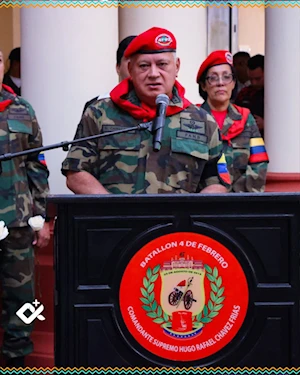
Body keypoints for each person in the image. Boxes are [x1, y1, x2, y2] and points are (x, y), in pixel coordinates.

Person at [61, 27, 231, 195]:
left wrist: (187, 215)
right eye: (144, 66)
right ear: (130, 69)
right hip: (116, 220)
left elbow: (218, 180)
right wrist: (112, 210)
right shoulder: (100, 114)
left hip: (178, 222)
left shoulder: (202, 121)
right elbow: (75, 172)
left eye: (162, 64)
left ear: (177, 66)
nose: (153, 73)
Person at [0, 48, 50, 368]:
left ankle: (16, 361)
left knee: (23, 301)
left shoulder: (21, 109)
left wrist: (40, 218)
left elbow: (36, 166)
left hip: (16, 222)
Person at [196, 50, 269, 193]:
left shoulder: (245, 118)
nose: (220, 83)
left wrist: (233, 196)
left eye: (226, 77)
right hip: (200, 204)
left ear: (233, 83)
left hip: (240, 204)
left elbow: (259, 162)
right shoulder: (192, 118)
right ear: (204, 85)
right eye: (213, 78)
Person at [82, 35, 137, 114]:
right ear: (118, 67)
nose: (133, 66)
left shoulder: (158, 105)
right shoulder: (96, 107)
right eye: (129, 60)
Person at [235, 54, 265, 137]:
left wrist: (265, 124)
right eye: (251, 79)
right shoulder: (244, 93)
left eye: (258, 79)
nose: (254, 83)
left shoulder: (278, 95)